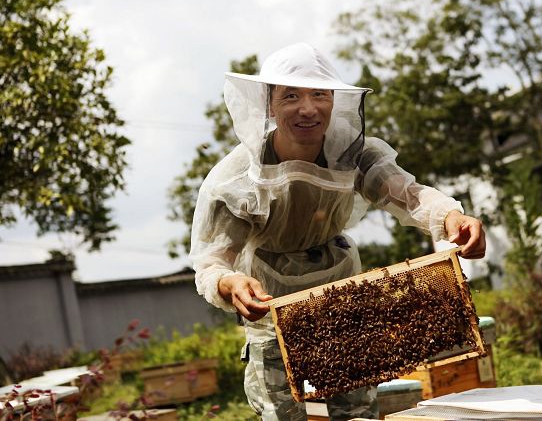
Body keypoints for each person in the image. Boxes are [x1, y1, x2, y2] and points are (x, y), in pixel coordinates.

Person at [190, 43, 486, 421]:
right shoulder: (236, 179)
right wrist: (231, 283)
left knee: (357, 414)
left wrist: (450, 217)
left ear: (334, 101)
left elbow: (407, 195)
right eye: (291, 96)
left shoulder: (354, 154)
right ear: (269, 104)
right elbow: (212, 261)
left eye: (319, 94)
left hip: (341, 294)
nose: (308, 108)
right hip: (270, 303)